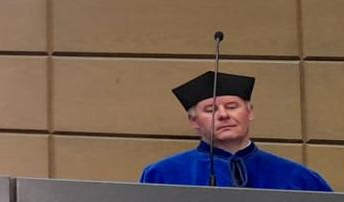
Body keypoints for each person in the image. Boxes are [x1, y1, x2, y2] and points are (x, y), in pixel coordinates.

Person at [139, 71, 331, 190]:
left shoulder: (298, 178)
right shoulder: (162, 175)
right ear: (194, 121)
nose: (223, 115)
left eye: (232, 107)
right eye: (211, 110)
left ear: (250, 112)